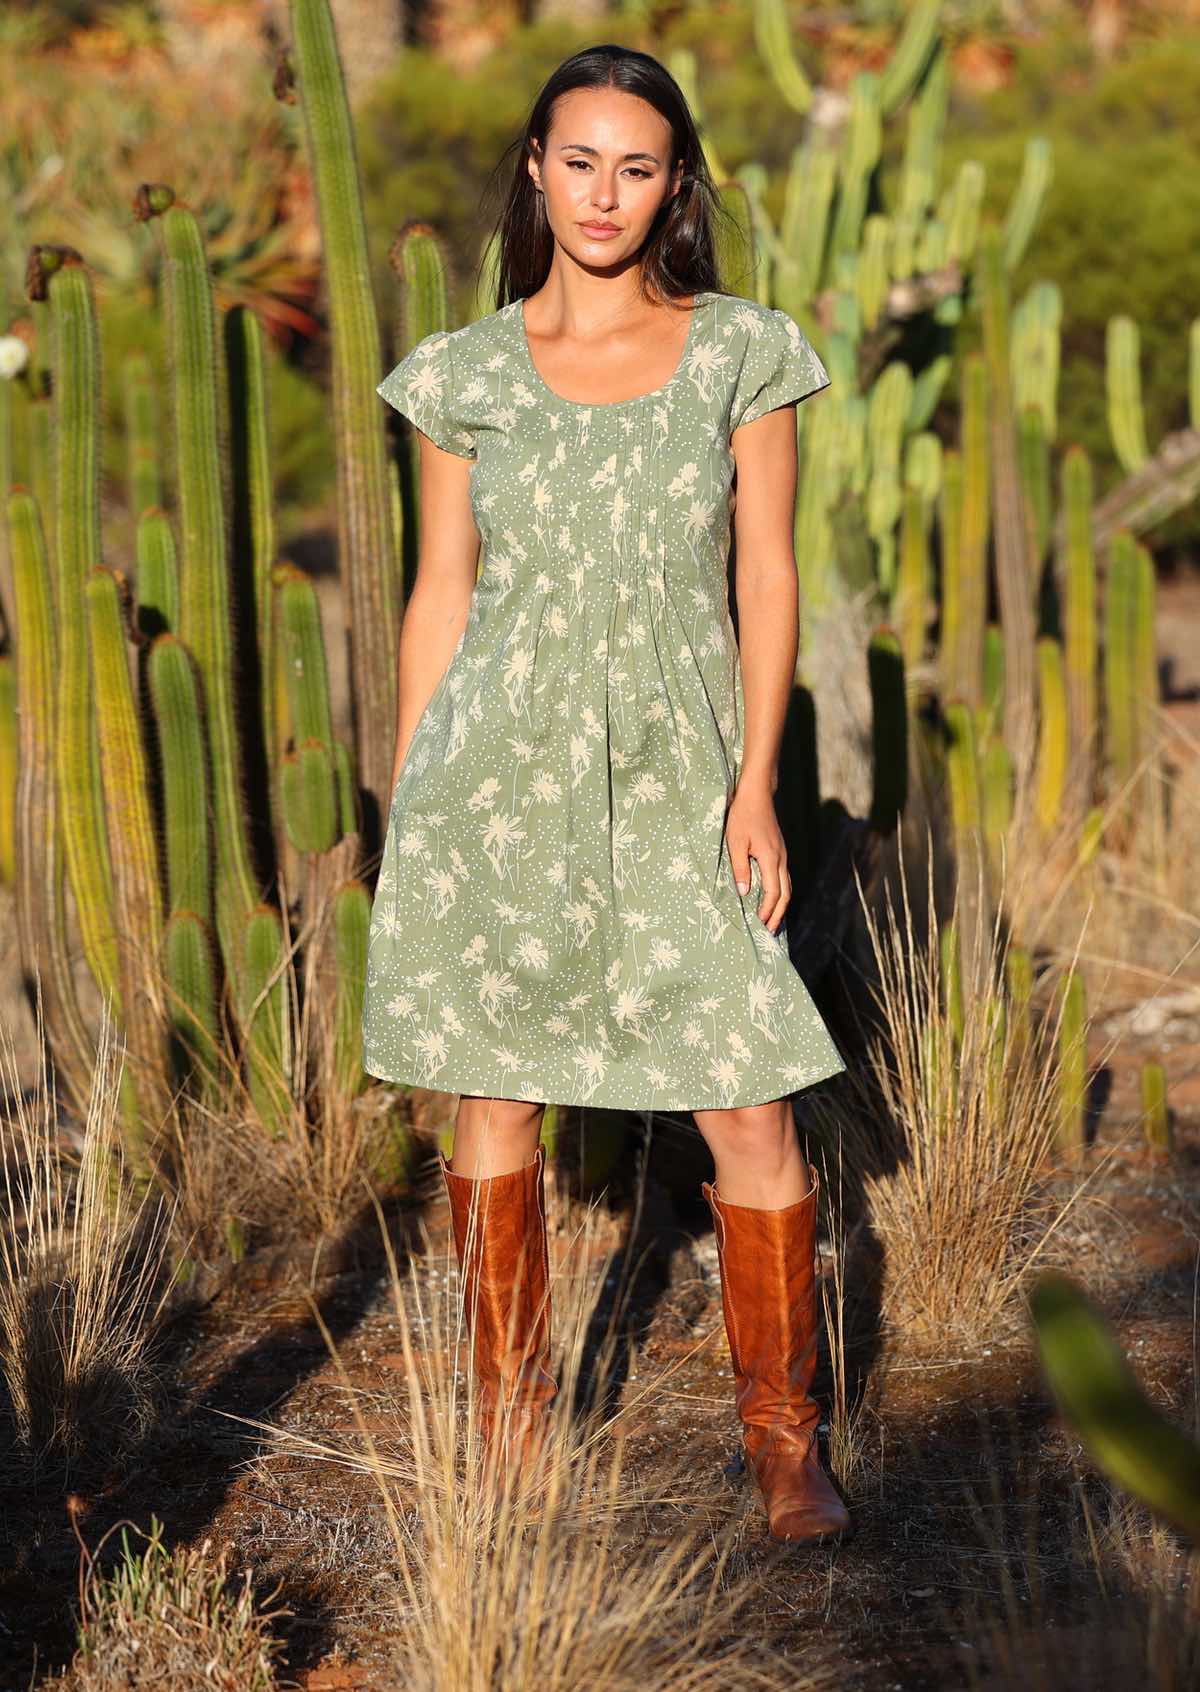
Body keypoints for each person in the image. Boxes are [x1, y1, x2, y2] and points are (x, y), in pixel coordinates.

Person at [363, 42, 851, 1545]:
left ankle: (785, 1442)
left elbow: (766, 574)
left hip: (688, 771)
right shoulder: (461, 374)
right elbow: (440, 595)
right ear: (534, 165)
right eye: (580, 161)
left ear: (675, 186)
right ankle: (511, 1433)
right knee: (493, 1095)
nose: (605, 194)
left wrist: (756, 784)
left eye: (638, 168)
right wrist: (411, 804)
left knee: (749, 1107)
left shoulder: (737, 353)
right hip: (496, 780)